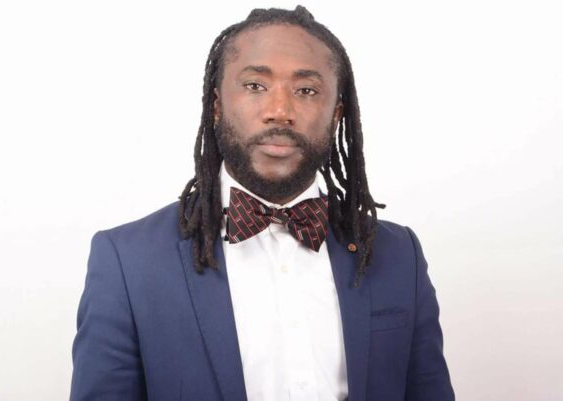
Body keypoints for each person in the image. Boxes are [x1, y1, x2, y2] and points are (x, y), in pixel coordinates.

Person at [70, 5, 455, 401]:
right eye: (255, 86)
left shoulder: (399, 255)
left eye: (306, 90)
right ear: (217, 105)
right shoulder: (128, 262)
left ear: (337, 115)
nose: (280, 112)